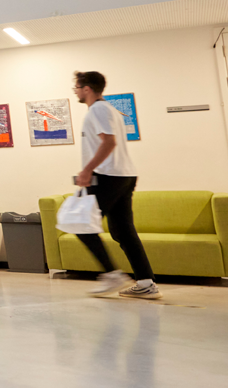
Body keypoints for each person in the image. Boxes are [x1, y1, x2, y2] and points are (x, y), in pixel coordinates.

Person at [72, 71, 159, 299]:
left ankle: (111, 274)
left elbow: (109, 142)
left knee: (79, 222)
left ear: (87, 88)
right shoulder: (109, 110)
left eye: (77, 87)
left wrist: (87, 169)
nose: (75, 91)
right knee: (123, 231)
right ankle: (146, 282)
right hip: (124, 174)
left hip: (107, 175)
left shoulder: (98, 109)